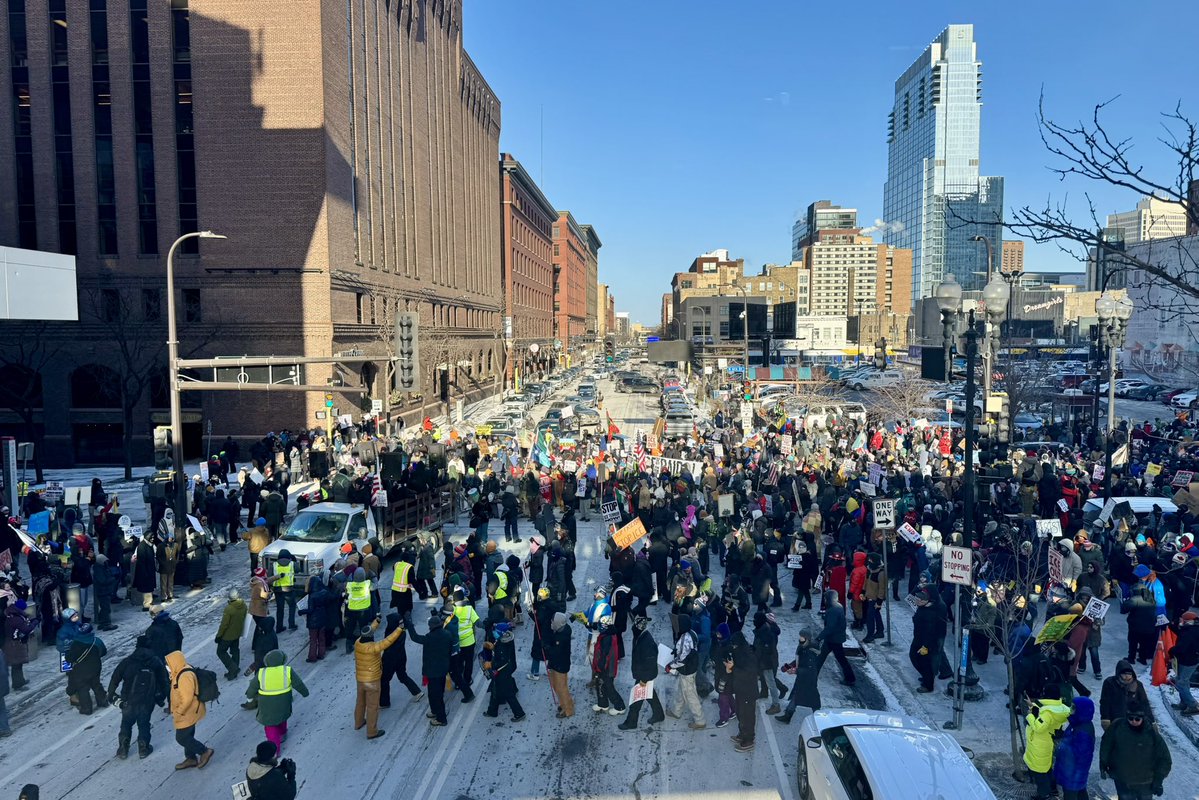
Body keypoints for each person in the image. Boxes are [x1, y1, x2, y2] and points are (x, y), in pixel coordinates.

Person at [106, 634, 168, 759]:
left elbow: (115, 678)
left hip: (128, 699)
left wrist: (111, 695)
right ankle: (143, 748)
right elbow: (164, 681)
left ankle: (123, 748)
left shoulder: (127, 661)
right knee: (144, 723)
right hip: (147, 700)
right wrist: (161, 698)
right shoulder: (155, 661)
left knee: (126, 723)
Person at [1099, 704, 1172, 799]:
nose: (1133, 721)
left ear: (1143, 718)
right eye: (1130, 718)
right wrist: (1103, 765)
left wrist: (1158, 780)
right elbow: (1106, 746)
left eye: (1137, 719)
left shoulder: (1151, 734)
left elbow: (1165, 759)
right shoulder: (1117, 727)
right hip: (1123, 781)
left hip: (1145, 783)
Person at [244, 649, 309, 752]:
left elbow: (252, 687)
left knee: (270, 726)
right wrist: (305, 693)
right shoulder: (287, 670)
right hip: (284, 702)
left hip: (267, 706)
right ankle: (283, 734)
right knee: (282, 717)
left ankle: (274, 751)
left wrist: (249, 698)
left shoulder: (262, 673)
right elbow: (298, 683)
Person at [351, 617, 405, 739]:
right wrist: (399, 629)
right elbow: (388, 641)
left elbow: (369, 631)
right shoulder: (374, 647)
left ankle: (358, 722)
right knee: (372, 707)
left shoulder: (358, 643)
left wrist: (377, 621)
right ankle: (372, 732)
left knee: (360, 702)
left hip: (360, 679)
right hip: (372, 681)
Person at [165, 649, 215, 770]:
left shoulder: (184, 676)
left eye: (168, 663)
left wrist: (178, 712)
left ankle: (204, 751)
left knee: (182, 738)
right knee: (189, 735)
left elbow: (187, 699)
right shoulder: (180, 671)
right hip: (189, 711)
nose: (167, 666)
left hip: (188, 712)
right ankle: (191, 758)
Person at [407, 611, 456, 727]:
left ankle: (441, 718)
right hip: (443, 669)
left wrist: (409, 624)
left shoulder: (429, 638)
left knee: (435, 695)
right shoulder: (447, 634)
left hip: (432, 671)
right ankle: (435, 711)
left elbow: (415, 637)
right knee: (436, 693)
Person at [619, 615, 664, 730]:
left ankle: (631, 722)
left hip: (644, 676)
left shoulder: (646, 642)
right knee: (650, 695)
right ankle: (659, 714)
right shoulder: (642, 636)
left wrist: (643, 679)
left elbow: (649, 662)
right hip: (643, 674)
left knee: (636, 699)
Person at [1024, 697, 1072, 799]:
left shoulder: (1047, 714)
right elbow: (1045, 709)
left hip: (1039, 744)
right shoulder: (1059, 709)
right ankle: (1052, 790)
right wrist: (1032, 705)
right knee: (1047, 769)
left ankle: (1044, 794)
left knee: (1040, 772)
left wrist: (1029, 715)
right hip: (1046, 743)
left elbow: (1038, 727)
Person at [665, 612, 706, 728]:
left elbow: (681, 659)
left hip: (687, 670)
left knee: (690, 695)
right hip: (691, 669)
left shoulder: (684, 638)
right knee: (681, 691)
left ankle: (700, 720)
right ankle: (676, 711)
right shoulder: (692, 633)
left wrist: (670, 666)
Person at [1053, 697, 1096, 800]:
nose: (1071, 709)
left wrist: (1060, 747)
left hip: (1073, 773)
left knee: (1070, 795)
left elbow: (1081, 755)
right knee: (1080, 791)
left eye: (1073, 707)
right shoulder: (1077, 723)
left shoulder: (1083, 731)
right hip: (1071, 771)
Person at [481, 622, 526, 722]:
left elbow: (501, 661)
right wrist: (493, 647)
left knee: (508, 693)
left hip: (502, 672)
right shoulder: (505, 639)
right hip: (504, 670)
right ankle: (492, 711)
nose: (494, 632)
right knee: (495, 690)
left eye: (496, 631)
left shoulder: (502, 646)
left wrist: (490, 664)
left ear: (501, 633)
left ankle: (519, 713)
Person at [777, 628, 822, 724]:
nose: (800, 638)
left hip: (808, 680)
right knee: (796, 697)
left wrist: (795, 671)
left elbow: (810, 669)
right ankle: (788, 716)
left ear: (807, 638)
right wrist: (788, 666)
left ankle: (819, 718)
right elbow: (799, 661)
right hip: (803, 679)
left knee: (812, 700)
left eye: (802, 636)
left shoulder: (810, 652)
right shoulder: (803, 647)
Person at [379, 611, 422, 708]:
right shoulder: (402, 631)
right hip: (401, 657)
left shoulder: (391, 632)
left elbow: (385, 645)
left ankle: (384, 702)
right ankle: (417, 692)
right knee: (402, 675)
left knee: (384, 680)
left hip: (390, 660)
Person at [813, 589, 855, 686]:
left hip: (834, 639)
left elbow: (830, 627)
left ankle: (850, 678)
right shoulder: (838, 606)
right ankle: (812, 675)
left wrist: (819, 638)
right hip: (834, 638)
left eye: (825, 598)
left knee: (839, 658)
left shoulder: (833, 610)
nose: (824, 600)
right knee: (821, 657)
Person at [65, 622, 108, 714]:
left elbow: (69, 658)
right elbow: (103, 652)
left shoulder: (75, 643)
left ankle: (87, 709)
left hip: (80, 669)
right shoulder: (96, 641)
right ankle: (103, 701)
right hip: (96, 666)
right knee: (96, 684)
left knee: (83, 688)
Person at [728, 626, 759, 752]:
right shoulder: (740, 652)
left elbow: (748, 673)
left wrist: (733, 668)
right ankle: (742, 734)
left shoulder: (748, 656)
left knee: (748, 715)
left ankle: (749, 739)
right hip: (740, 689)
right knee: (741, 713)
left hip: (748, 691)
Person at [1100, 661, 1152, 731]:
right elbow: (1105, 702)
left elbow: (1144, 703)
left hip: (1132, 720)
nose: (1127, 676)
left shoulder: (1138, 685)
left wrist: (1151, 721)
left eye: (1129, 674)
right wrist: (1105, 718)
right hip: (1115, 720)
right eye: (1124, 674)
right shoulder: (1109, 683)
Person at [591, 614, 625, 716]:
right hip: (606, 667)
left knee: (609, 687)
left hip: (607, 668)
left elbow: (604, 656)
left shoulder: (607, 638)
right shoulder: (608, 634)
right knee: (600, 684)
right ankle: (602, 703)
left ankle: (620, 706)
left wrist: (599, 668)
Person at [1169, 610, 1199, 715]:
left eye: (1182, 620)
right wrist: (1170, 624)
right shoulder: (1191, 629)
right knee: (1182, 681)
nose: (1180, 621)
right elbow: (1179, 631)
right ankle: (1184, 702)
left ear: (1187, 621)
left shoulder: (1190, 633)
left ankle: (1193, 705)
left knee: (1181, 682)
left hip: (1188, 661)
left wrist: (1171, 651)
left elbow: (1182, 647)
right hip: (1186, 660)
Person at [4, 600, 38, 691]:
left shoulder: (14, 615)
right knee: (16, 664)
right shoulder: (15, 618)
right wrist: (34, 623)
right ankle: (17, 684)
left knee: (18, 664)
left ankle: (20, 681)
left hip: (14, 642)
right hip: (14, 644)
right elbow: (26, 629)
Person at [546, 611, 575, 718]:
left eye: (553, 621)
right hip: (557, 664)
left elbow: (555, 652)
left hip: (560, 665)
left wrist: (547, 647)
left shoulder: (561, 637)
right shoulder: (563, 629)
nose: (551, 623)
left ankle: (568, 710)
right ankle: (564, 704)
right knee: (557, 685)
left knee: (561, 688)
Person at [215, 589, 248, 680]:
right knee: (235, 650)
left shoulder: (229, 609)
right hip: (237, 632)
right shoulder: (244, 605)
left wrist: (219, 636)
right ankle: (235, 668)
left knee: (220, 652)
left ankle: (233, 669)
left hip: (228, 635)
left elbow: (224, 625)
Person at [300, 576, 332, 663]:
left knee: (313, 640)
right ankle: (321, 654)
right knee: (321, 638)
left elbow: (310, 610)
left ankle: (312, 657)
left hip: (313, 621)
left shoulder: (312, 596)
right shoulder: (324, 592)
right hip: (322, 617)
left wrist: (301, 611)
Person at [272, 550, 300, 632]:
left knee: (280, 609)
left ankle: (279, 627)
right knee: (292, 607)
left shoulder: (274, 564)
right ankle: (291, 624)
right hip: (289, 590)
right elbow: (298, 569)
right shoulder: (292, 564)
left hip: (277, 590)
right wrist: (294, 560)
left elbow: (270, 576)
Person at [91, 553, 118, 631]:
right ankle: (106, 624)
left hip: (105, 591)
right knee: (105, 608)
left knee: (104, 607)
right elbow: (102, 580)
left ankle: (102, 622)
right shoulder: (99, 569)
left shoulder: (101, 567)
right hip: (103, 591)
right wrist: (112, 579)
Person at [131, 535, 157, 610]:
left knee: (149, 588)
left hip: (149, 571)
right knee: (147, 589)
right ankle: (147, 605)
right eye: (151, 537)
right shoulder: (142, 546)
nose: (152, 539)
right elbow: (142, 562)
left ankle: (149, 603)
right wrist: (145, 572)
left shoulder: (149, 545)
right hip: (145, 572)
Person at [155, 533, 180, 603]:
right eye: (170, 538)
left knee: (171, 581)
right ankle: (164, 596)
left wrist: (176, 561)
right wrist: (162, 563)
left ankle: (170, 594)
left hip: (172, 566)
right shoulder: (161, 546)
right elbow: (158, 556)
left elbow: (177, 554)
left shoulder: (175, 545)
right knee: (164, 582)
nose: (171, 540)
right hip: (164, 567)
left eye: (172, 538)